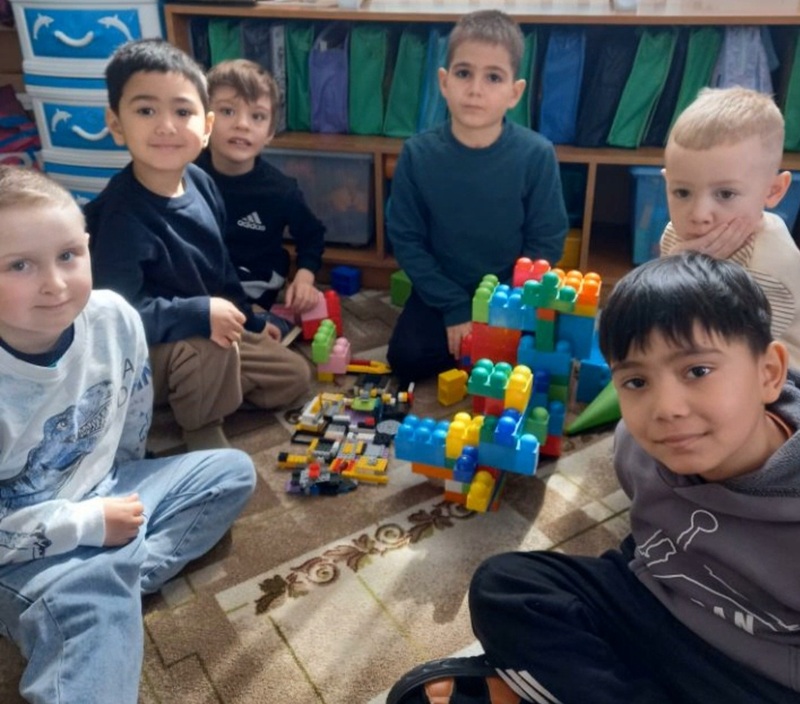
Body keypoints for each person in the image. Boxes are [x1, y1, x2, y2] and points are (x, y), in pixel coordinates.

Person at [388, 251, 800, 704]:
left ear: (769, 373)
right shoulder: (638, 446)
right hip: (658, 606)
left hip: (754, 674)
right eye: (637, 382)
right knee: (503, 586)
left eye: (697, 371)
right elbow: (649, 546)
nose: (666, 408)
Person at [0, 165, 256, 703]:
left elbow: (131, 418)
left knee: (231, 471)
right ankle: (85, 597)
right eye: (20, 265)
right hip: (20, 545)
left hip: (106, 488)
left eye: (68, 255)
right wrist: (88, 524)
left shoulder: (114, 316)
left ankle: (103, 584)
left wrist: (109, 512)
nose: (55, 284)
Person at [85, 39, 311, 452]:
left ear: (205, 128)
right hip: (149, 348)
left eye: (182, 112)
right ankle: (201, 425)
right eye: (146, 111)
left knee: (293, 377)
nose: (166, 126)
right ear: (116, 124)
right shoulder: (122, 215)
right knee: (208, 342)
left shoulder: (201, 183)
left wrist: (250, 322)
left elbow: (221, 269)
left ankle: (195, 391)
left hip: (204, 332)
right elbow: (117, 318)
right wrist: (198, 314)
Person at [386, 9, 569, 385]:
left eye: (493, 77)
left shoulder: (536, 154)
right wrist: (454, 306)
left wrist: (502, 307)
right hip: (442, 289)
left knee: (543, 356)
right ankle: (471, 347)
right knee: (406, 358)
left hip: (511, 292)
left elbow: (546, 239)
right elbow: (406, 239)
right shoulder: (417, 154)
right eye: (464, 73)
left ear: (515, 93)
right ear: (444, 82)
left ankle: (481, 349)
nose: (475, 89)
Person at [660, 85, 800, 368]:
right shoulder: (677, 234)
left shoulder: (767, 267)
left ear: (773, 191)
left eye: (725, 194)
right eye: (682, 192)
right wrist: (677, 267)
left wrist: (684, 274)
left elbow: (731, 354)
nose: (699, 214)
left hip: (777, 374)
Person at [196, 59, 326, 337]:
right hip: (202, 278)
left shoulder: (280, 190)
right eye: (228, 111)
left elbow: (312, 235)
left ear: (269, 133)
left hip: (254, 282)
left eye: (257, 116)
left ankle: (258, 322)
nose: (242, 124)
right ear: (205, 121)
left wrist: (304, 277)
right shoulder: (186, 174)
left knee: (236, 329)